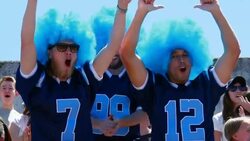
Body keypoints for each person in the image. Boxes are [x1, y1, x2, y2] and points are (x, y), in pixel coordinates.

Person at [119, 0, 240, 140]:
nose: (181, 60)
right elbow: (127, 54)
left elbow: (233, 52)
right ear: (164, 61)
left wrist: (216, 12)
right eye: (174, 56)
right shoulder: (153, 87)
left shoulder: (206, 84)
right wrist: (141, 13)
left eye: (185, 54)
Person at [16, 0, 129, 140]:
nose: (68, 52)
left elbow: (112, 46)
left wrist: (122, 8)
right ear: (49, 52)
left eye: (73, 48)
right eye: (62, 47)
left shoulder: (84, 78)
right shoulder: (37, 80)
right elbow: (27, 42)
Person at [90, 7, 151, 141]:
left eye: (118, 44)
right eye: (110, 45)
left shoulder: (135, 75)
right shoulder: (91, 75)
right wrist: (100, 124)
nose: (113, 52)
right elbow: (78, 113)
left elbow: (145, 113)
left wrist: (120, 123)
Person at [213, 76, 249, 141]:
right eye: (233, 88)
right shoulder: (218, 119)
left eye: (242, 88)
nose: (238, 91)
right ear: (227, 93)